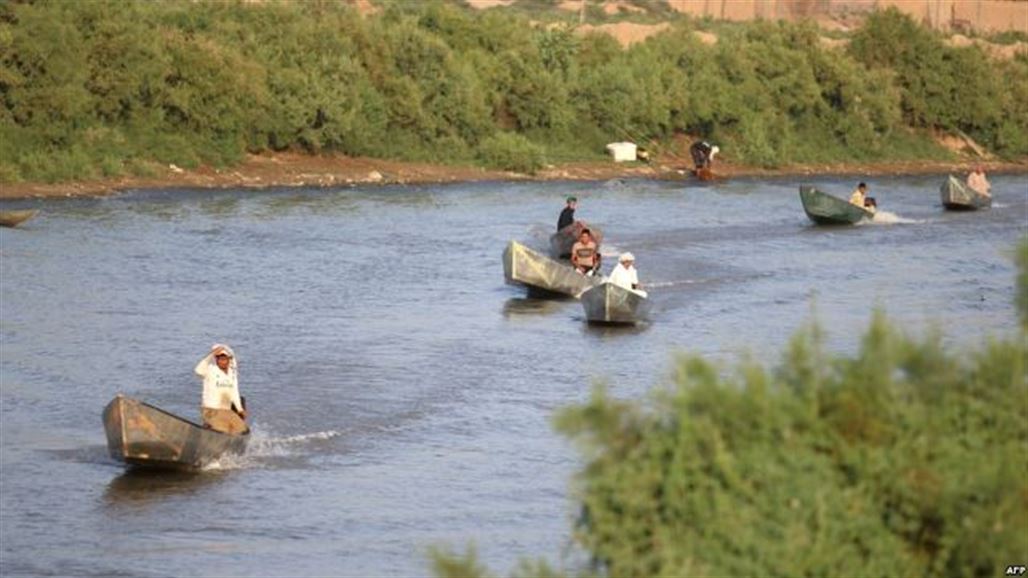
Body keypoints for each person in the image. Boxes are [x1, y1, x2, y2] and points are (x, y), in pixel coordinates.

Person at [195, 343, 248, 435]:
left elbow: (234, 391)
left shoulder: (232, 373)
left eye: (224, 359)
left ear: (228, 360)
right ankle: (209, 429)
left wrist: (240, 409)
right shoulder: (210, 369)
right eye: (219, 359)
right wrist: (212, 354)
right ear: (216, 359)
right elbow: (198, 370)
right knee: (223, 430)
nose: (222, 361)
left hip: (227, 410)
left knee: (241, 430)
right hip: (211, 410)